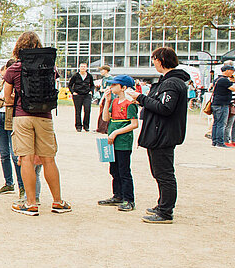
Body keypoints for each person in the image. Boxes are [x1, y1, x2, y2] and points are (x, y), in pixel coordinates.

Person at [2, 31, 71, 216]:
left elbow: (7, 98)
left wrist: (16, 99)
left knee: (25, 159)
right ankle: (58, 202)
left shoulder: (14, 68)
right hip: (45, 116)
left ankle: (31, 203)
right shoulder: (50, 67)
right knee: (49, 159)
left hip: (22, 116)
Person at [126, 47, 189, 224]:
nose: (153, 62)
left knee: (164, 174)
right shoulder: (168, 82)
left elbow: (165, 108)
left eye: (154, 59)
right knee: (159, 172)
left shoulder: (172, 83)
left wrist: (141, 98)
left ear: (160, 60)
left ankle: (165, 212)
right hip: (159, 133)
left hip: (163, 134)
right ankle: (162, 204)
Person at [97, 75, 139, 212]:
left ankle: (129, 199)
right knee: (114, 169)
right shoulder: (114, 102)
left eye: (115, 85)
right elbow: (105, 118)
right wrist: (107, 101)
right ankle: (117, 195)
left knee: (124, 170)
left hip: (123, 141)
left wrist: (116, 133)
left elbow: (134, 124)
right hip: (112, 140)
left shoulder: (130, 103)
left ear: (123, 87)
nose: (111, 87)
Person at [0, 62, 22, 195]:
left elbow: (16, 102)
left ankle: (22, 185)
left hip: (12, 120)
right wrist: (5, 101)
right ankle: (8, 183)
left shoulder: (18, 86)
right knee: (4, 154)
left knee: (15, 155)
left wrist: (3, 100)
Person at [68, 62, 95, 132]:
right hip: (77, 95)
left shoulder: (89, 76)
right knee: (78, 111)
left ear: (86, 68)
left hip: (87, 95)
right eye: (81, 66)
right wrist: (73, 92)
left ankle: (86, 126)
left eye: (84, 66)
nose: (83, 68)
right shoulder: (75, 76)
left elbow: (92, 85)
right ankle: (78, 126)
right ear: (79, 67)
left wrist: (91, 91)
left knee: (87, 110)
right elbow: (70, 85)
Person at [210, 64, 233, 148]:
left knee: (216, 123)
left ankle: (214, 141)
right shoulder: (224, 81)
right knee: (221, 124)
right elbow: (233, 88)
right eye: (231, 71)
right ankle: (220, 142)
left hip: (215, 103)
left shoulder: (217, 79)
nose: (232, 73)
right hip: (222, 104)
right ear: (227, 71)